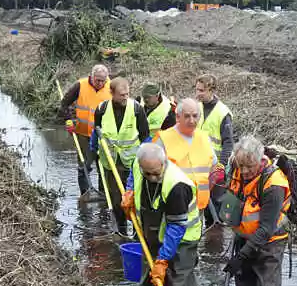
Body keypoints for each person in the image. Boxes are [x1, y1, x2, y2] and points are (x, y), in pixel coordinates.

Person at [121, 143, 201, 286]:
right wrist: (130, 192)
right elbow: (133, 176)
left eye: (156, 173)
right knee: (151, 285)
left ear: (164, 163)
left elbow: (176, 228)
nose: (152, 177)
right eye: (147, 173)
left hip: (183, 239)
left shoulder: (178, 186)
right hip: (152, 232)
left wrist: (163, 260)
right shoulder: (138, 164)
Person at [223, 137, 291, 286]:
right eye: (241, 165)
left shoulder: (274, 184)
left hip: (269, 242)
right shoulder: (237, 169)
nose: (244, 171)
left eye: (249, 166)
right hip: (244, 237)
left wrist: (242, 255)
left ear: (260, 160)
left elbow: (266, 229)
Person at [92, 77, 150, 235]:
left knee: (135, 197)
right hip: (110, 161)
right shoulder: (102, 109)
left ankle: (139, 231)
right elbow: (96, 130)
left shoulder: (137, 109)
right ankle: (122, 229)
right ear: (111, 93)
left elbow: (145, 136)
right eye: (121, 95)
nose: (125, 97)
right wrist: (93, 149)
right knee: (116, 199)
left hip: (132, 162)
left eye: (127, 94)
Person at [152, 98, 220, 213]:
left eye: (195, 116)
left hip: (199, 209)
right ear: (178, 117)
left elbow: (214, 167)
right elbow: (152, 174)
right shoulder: (163, 139)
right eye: (187, 116)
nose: (192, 120)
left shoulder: (204, 138)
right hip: (174, 208)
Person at [59, 64, 111, 195]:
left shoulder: (112, 87)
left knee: (105, 167)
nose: (100, 83)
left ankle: (103, 195)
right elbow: (64, 104)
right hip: (83, 134)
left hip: (103, 135)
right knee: (84, 166)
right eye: (97, 80)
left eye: (102, 80)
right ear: (91, 76)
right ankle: (86, 193)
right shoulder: (80, 85)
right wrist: (68, 119)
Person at [195, 74, 234, 223]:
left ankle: (216, 238)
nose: (198, 94)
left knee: (216, 206)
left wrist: (221, 166)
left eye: (202, 91)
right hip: (199, 165)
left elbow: (228, 143)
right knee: (201, 203)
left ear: (211, 90)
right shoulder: (197, 108)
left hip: (216, 167)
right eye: (197, 89)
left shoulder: (222, 113)